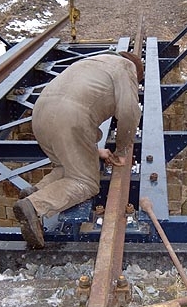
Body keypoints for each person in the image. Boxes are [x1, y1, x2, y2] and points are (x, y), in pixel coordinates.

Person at [13, 51, 144, 248]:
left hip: (39, 113)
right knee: (86, 182)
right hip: (70, 118)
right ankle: (34, 204)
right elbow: (129, 112)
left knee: (64, 167)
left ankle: (36, 190)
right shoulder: (126, 69)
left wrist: (95, 152)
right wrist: (121, 151)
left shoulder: (93, 60)